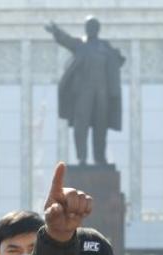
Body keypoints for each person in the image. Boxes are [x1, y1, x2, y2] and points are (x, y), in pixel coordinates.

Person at [44, 18, 125, 165]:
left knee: (101, 127)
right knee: (81, 125)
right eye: (88, 26)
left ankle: (100, 158)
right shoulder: (81, 45)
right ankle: (82, 157)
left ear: (97, 29)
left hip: (102, 94)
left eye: (93, 26)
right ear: (86, 29)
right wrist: (56, 31)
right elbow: (66, 40)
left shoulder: (105, 47)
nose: (90, 29)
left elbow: (117, 61)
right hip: (83, 93)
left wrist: (118, 57)